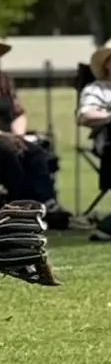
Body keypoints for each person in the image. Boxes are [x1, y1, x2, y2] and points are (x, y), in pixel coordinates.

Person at [0, 41, 70, 226]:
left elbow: (18, 113)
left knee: (35, 152)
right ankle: (20, 205)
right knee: (7, 153)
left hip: (10, 138)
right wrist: (6, 137)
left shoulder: (4, 81)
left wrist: (18, 136)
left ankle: (46, 202)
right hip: (3, 143)